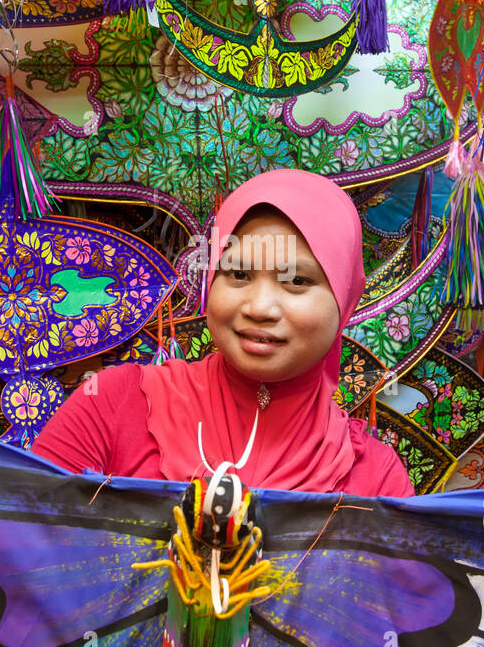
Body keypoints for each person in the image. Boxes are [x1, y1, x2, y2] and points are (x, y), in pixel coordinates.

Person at [31, 168, 413, 497]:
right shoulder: (112, 406)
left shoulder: (375, 481)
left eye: (297, 280)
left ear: (344, 298)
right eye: (238, 274)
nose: (259, 307)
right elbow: (17, 540)